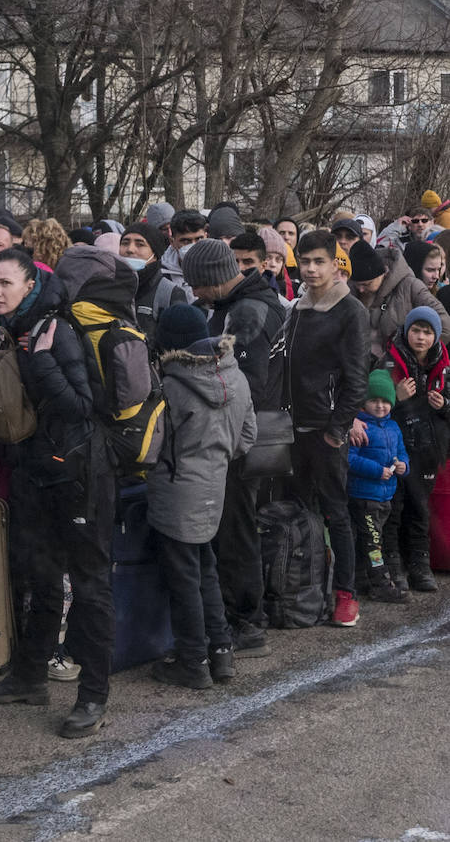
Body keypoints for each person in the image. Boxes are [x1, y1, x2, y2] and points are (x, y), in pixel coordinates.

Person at [0, 248, 114, 740]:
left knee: (90, 585)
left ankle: (93, 695)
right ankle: (30, 677)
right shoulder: (14, 328)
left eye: (5, 283)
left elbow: (81, 406)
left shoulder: (57, 330)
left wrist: (42, 359)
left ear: (30, 285)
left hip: (77, 473)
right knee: (42, 576)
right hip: (36, 470)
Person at [182, 238, 286, 657]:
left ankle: (246, 621)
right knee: (234, 525)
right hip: (239, 434)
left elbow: (244, 383)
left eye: (196, 283)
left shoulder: (247, 312)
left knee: (235, 527)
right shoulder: (238, 305)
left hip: (239, 439)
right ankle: (239, 614)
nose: (194, 292)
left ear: (212, 278)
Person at [147, 305, 255, 689]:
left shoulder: (171, 386)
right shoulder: (235, 376)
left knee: (183, 578)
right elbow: (247, 437)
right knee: (206, 567)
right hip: (215, 486)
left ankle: (193, 661)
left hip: (175, 491)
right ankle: (221, 652)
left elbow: (150, 447)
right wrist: (216, 458)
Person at [286, 230, 369, 627]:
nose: (311, 269)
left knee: (336, 512)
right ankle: (305, 588)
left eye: (319, 261)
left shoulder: (351, 310)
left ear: (335, 263)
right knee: (300, 513)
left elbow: (357, 379)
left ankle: (346, 594)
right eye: (305, 262)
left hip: (326, 431)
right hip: (293, 429)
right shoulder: (298, 308)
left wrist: (336, 430)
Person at [380, 306, 450, 593]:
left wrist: (444, 405)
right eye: (416, 330)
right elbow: (371, 407)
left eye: (427, 332)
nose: (421, 337)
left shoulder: (445, 366)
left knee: (420, 508)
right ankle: (394, 563)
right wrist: (394, 397)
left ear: (436, 336)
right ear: (406, 331)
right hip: (395, 447)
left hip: (429, 448)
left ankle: (420, 564)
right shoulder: (388, 362)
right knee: (393, 508)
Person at [347, 370, 411, 605]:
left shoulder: (393, 427)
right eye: (374, 400)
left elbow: (402, 452)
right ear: (364, 402)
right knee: (373, 542)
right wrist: (377, 471)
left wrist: (404, 465)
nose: (380, 405)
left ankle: (362, 577)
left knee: (371, 539)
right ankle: (381, 584)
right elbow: (349, 459)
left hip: (385, 497)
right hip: (364, 496)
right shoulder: (360, 427)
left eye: (385, 401)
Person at [347, 239, 450, 360]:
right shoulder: (350, 290)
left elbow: (445, 326)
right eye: (357, 285)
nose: (361, 290)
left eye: (367, 284)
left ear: (383, 273)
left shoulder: (410, 287)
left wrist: (417, 354)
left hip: (399, 366)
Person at [118, 221, 186, 341]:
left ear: (155, 253)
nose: (130, 249)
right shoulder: (108, 288)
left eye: (140, 244)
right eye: (125, 243)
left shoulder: (170, 293)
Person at [160, 208, 208, 293]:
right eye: (186, 241)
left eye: (199, 239)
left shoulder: (219, 267)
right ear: (172, 242)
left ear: (206, 237)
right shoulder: (161, 275)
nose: (193, 246)